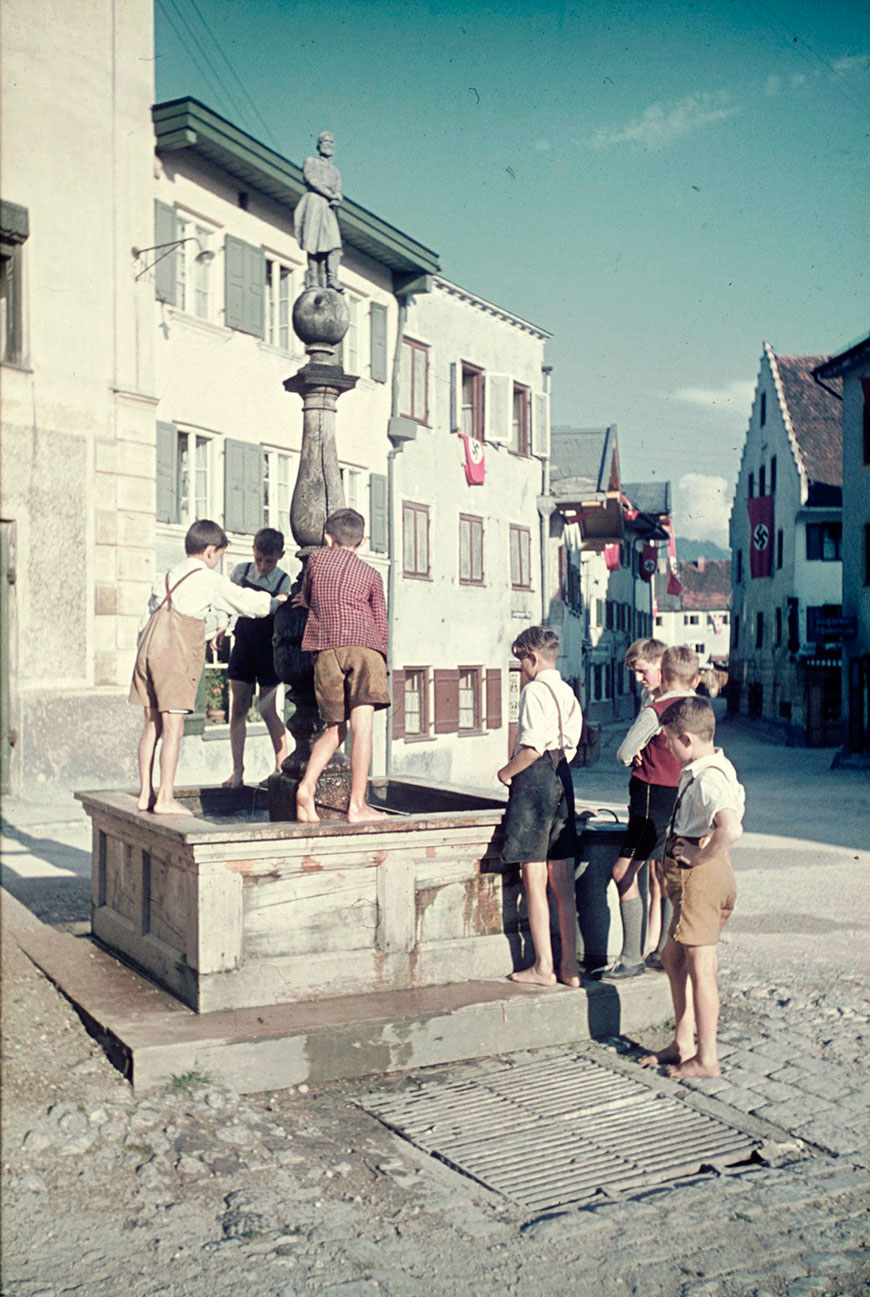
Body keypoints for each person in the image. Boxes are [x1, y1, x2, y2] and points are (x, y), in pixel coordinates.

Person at [130, 520, 288, 815]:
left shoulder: (164, 576)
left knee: (151, 726)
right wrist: (277, 603)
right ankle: (165, 797)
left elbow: (143, 624)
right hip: (175, 655)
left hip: (147, 653)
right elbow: (247, 604)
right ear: (210, 551)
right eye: (218, 557)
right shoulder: (207, 579)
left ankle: (144, 795)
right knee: (174, 726)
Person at [639, 695, 744, 1078]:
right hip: (693, 879)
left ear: (685, 738)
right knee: (672, 955)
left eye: (667, 739)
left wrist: (700, 857)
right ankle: (683, 1041)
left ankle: (707, 1057)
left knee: (701, 966)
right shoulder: (708, 765)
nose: (665, 746)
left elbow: (730, 827)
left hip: (702, 877)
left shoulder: (710, 777)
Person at [602, 643, 698, 981]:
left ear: (663, 667)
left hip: (650, 797)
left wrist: (635, 752)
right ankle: (662, 950)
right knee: (667, 874)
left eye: (644, 670)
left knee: (623, 871)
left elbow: (624, 752)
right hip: (682, 798)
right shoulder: (694, 707)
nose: (640, 678)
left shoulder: (656, 709)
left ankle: (631, 958)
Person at [497, 625, 583, 988]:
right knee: (562, 882)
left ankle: (543, 966)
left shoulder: (534, 691)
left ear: (532, 658)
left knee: (534, 879)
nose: (521, 670)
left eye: (521, 663)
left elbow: (531, 747)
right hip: (562, 778)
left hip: (535, 783)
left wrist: (505, 772)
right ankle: (571, 967)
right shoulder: (567, 692)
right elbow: (571, 745)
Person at [294, 508, 390, 823]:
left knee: (334, 728)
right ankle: (357, 806)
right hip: (364, 648)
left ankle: (307, 787)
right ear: (361, 542)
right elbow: (380, 623)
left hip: (325, 650)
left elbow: (305, 598)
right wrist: (381, 661)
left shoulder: (316, 563)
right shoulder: (371, 575)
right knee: (362, 731)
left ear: (327, 537)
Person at [222, 528, 292, 788]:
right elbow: (228, 604)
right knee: (238, 706)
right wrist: (222, 625)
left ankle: (280, 768)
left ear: (280, 556)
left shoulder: (284, 581)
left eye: (270, 561)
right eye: (259, 559)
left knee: (266, 708)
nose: (263, 567)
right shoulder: (241, 572)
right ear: (253, 551)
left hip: (268, 649)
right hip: (243, 643)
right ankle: (237, 771)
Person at [294, 131, 343, 291]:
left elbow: (338, 189)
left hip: (328, 208)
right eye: (325, 141)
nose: (328, 145)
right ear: (319, 144)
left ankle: (332, 279)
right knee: (313, 242)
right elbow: (311, 179)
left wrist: (337, 197)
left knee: (334, 245)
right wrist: (330, 194)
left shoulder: (335, 170)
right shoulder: (311, 161)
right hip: (314, 203)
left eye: (331, 142)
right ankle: (313, 280)